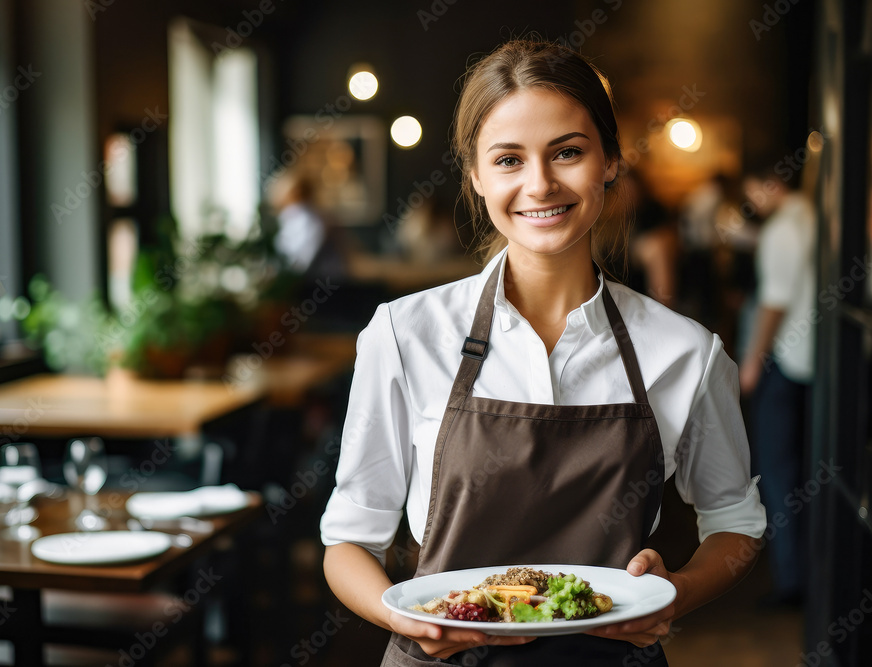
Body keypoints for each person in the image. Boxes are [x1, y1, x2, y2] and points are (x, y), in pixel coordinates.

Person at [320, 39, 766, 665]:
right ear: (475, 176)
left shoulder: (684, 351)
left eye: (568, 152)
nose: (540, 184)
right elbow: (348, 544)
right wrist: (411, 618)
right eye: (508, 159)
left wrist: (677, 594)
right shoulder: (401, 335)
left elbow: (736, 526)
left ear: (610, 161)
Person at [738, 167, 816, 606]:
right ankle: (804, 574)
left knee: (777, 473)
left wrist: (751, 363)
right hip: (812, 366)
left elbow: (774, 303)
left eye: (755, 191)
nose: (756, 202)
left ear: (773, 183)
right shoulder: (814, 216)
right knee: (801, 471)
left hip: (783, 363)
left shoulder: (784, 228)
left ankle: (791, 581)